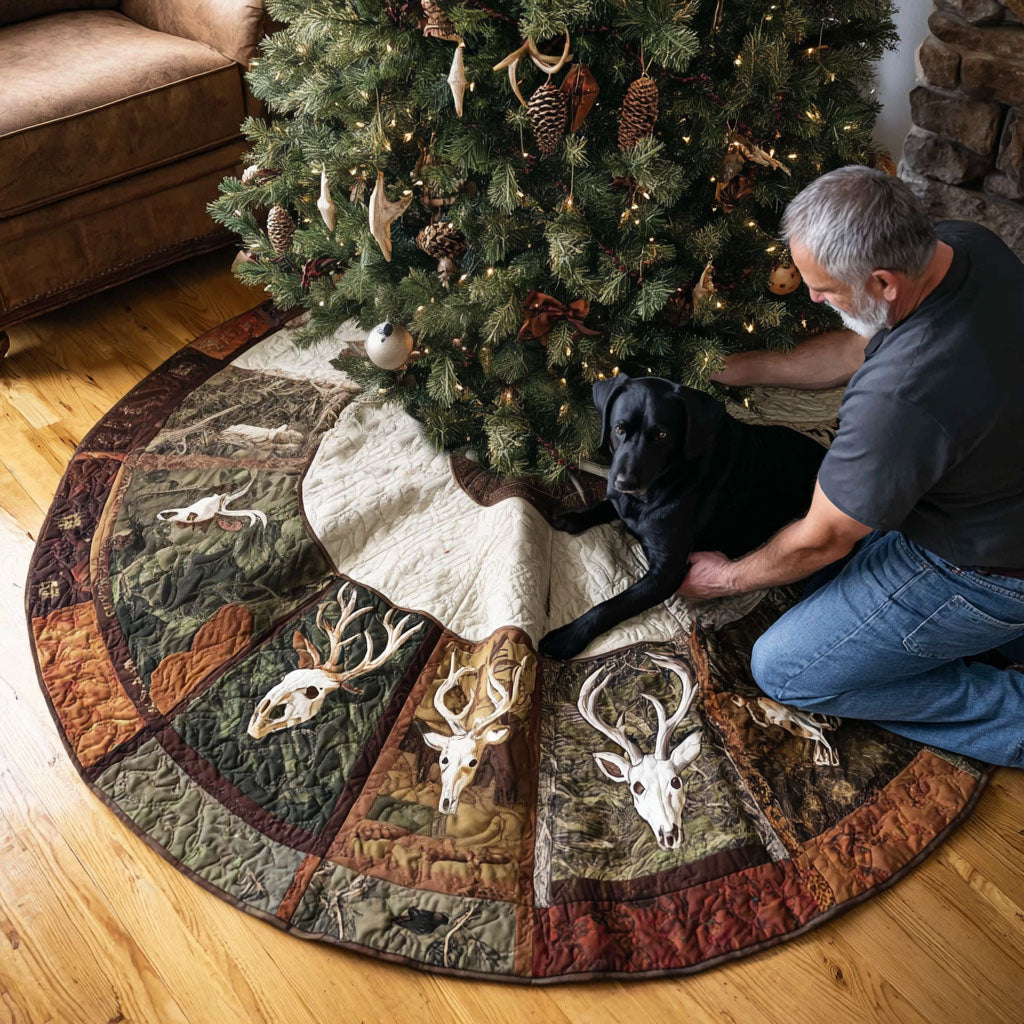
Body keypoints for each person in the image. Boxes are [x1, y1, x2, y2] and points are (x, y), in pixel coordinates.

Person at [676, 164, 1024, 768]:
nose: (811, 297)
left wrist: (722, 579)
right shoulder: (966, 245)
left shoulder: (900, 396)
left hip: (988, 569)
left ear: (883, 281)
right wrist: (737, 367)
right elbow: (861, 343)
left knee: (785, 667)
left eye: (826, 290)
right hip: (1000, 491)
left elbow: (823, 539)